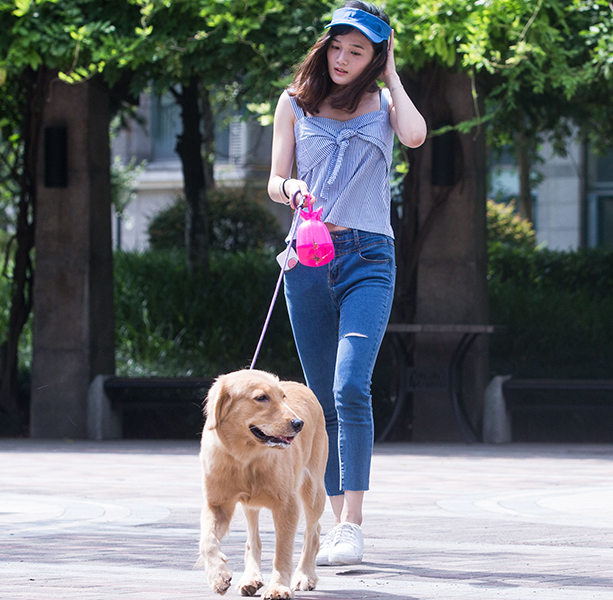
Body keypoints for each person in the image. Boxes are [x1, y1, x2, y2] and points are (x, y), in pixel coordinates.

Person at [266, 1, 426, 566]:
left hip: (368, 258)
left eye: (357, 51)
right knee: (316, 400)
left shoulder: (384, 104)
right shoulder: (293, 103)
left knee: (350, 385)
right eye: (337, 46)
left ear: (375, 58)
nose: (342, 58)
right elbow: (274, 179)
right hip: (308, 259)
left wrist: (391, 74)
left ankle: (352, 524)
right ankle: (334, 522)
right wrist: (293, 191)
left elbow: (415, 135)